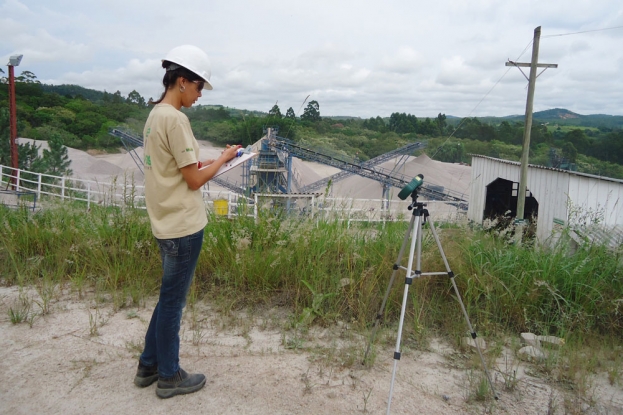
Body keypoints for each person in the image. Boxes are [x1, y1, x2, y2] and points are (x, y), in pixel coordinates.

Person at [133, 45, 240, 399]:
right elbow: (194, 181)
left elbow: (179, 166)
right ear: (182, 82)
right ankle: (169, 376)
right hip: (183, 225)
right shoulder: (176, 120)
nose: (198, 96)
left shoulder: (155, 116)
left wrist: (214, 159)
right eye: (197, 88)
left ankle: (148, 364)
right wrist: (224, 159)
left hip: (164, 220)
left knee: (167, 298)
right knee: (173, 303)